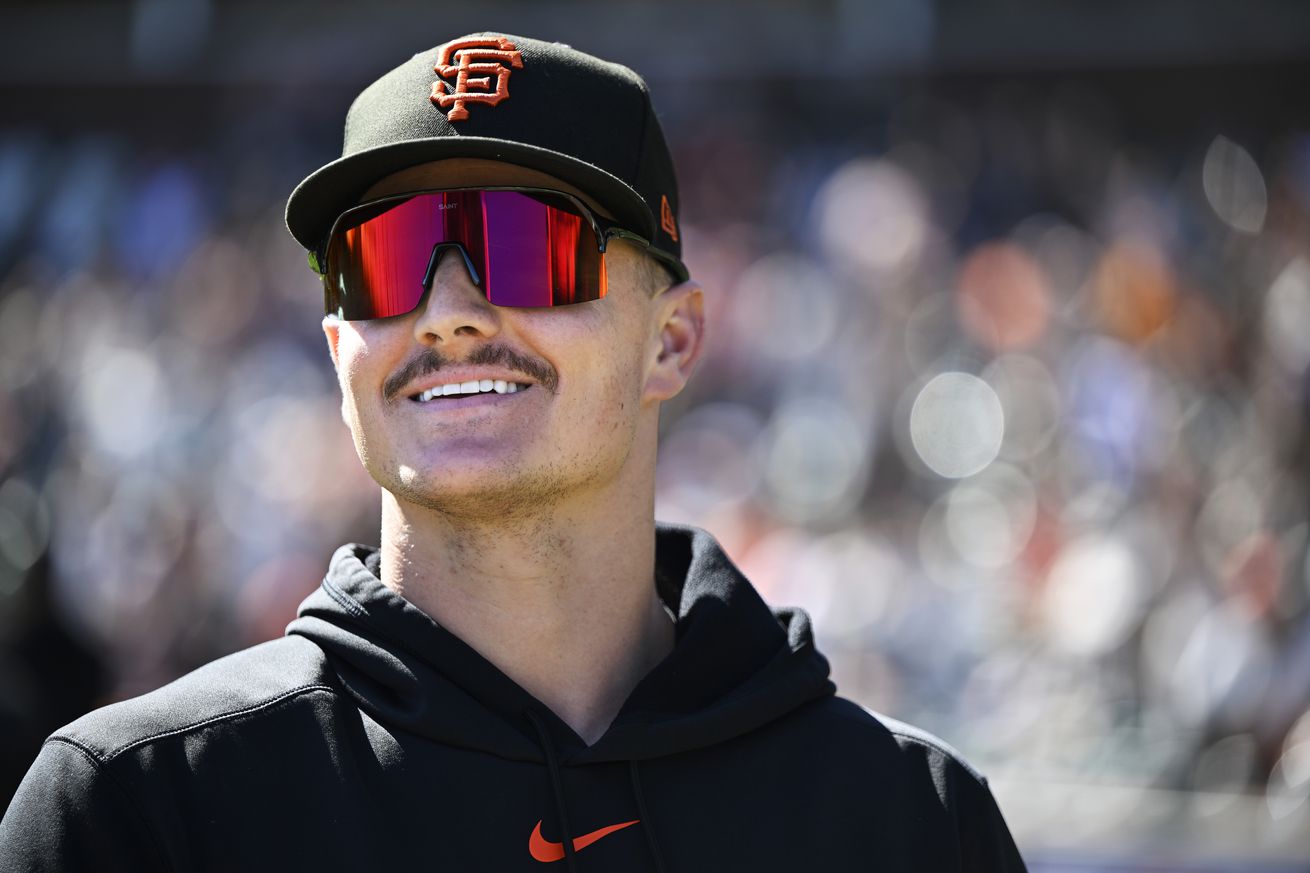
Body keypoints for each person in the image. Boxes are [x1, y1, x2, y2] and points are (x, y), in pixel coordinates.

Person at [0, 32, 1027, 871]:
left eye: (525, 244)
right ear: (338, 352)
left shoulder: (905, 822)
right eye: (384, 258)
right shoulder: (138, 809)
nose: (446, 316)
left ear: (669, 341)